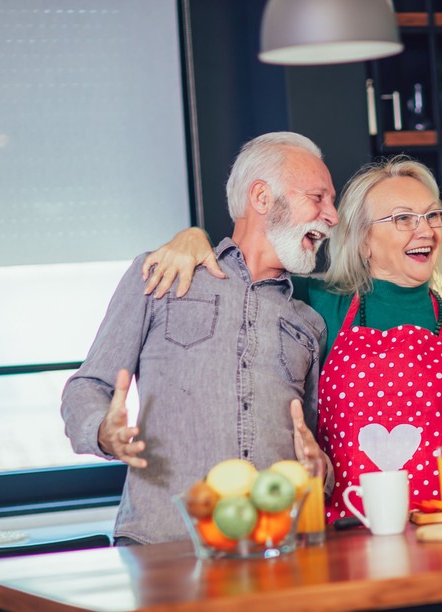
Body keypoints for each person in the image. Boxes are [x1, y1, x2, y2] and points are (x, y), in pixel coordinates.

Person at [143, 156, 442, 522]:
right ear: (363, 240)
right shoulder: (315, 304)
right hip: (343, 540)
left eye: (431, 215)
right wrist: (193, 236)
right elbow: (248, 263)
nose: (425, 229)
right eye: (402, 218)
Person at [61, 132, 339, 544]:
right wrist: (103, 430)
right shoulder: (163, 273)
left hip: (275, 550)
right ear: (261, 198)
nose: (332, 216)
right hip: (161, 546)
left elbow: (311, 440)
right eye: (318, 197)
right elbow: (88, 385)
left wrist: (323, 472)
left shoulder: (308, 321)